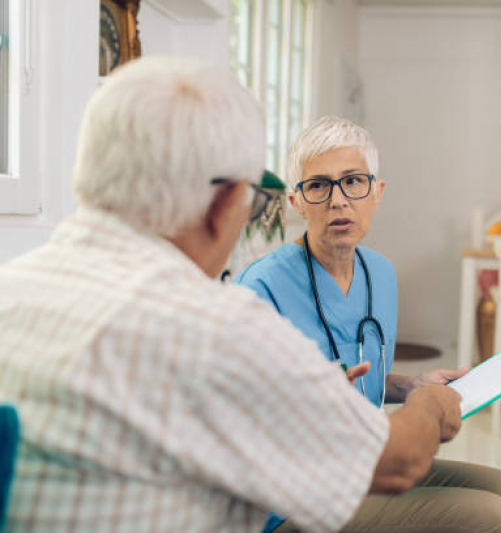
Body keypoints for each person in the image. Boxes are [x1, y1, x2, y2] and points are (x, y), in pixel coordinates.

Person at [0, 56, 463, 532]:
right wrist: (429, 405)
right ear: (224, 205)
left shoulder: (11, 287)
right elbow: (396, 460)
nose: (339, 199)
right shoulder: (215, 327)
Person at [236, 116, 501, 533]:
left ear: (377, 193)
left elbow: (360, 368)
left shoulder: (380, 274)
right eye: (318, 186)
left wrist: (411, 387)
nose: (338, 200)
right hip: (291, 501)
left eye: (353, 181)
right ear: (297, 202)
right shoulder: (262, 287)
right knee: (490, 518)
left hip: (360, 464)